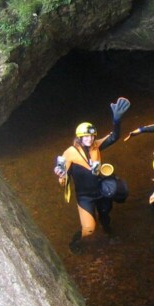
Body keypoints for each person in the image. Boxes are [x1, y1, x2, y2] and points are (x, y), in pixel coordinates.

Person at [54, 97, 131, 239]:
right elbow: (63, 174)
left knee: (105, 216)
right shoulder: (70, 153)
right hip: (85, 196)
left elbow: (114, 137)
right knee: (89, 228)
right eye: (86, 137)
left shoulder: (96, 145)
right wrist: (61, 175)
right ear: (80, 138)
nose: (89, 139)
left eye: (91, 136)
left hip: (101, 190)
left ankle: (108, 232)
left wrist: (117, 121)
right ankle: (80, 242)